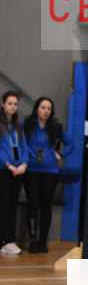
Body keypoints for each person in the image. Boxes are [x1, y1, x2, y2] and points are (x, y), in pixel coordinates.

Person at [23, 97, 70, 253]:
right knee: (32, 204)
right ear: (37, 108)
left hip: (50, 172)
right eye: (43, 107)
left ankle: (43, 241)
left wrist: (60, 154)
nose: (46, 111)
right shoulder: (27, 125)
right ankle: (33, 240)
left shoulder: (56, 127)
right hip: (31, 170)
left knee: (46, 206)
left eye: (49, 108)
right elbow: (20, 142)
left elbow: (71, 143)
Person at [0, 91, 28, 255]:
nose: (13, 107)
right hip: (4, 170)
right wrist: (8, 164)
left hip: (18, 171)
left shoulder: (18, 125)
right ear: (3, 104)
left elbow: (24, 146)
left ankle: (8, 240)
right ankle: (6, 240)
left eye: (15, 104)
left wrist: (24, 163)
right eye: (10, 103)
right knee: (3, 205)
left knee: (12, 205)